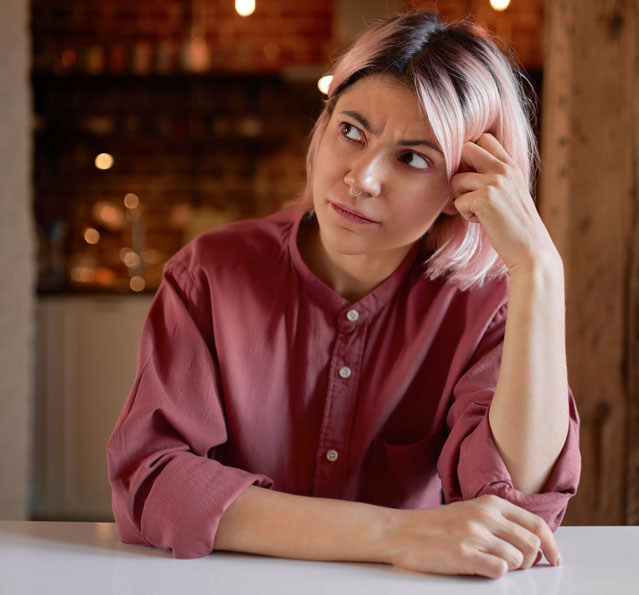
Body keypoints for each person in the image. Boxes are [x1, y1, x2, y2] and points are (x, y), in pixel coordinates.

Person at [107, 12, 580, 579]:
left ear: (464, 185)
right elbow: (153, 482)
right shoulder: (209, 274)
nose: (361, 178)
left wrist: (539, 271)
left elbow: (517, 509)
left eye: (412, 158)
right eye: (351, 130)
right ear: (323, 123)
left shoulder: (488, 305)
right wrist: (392, 535)